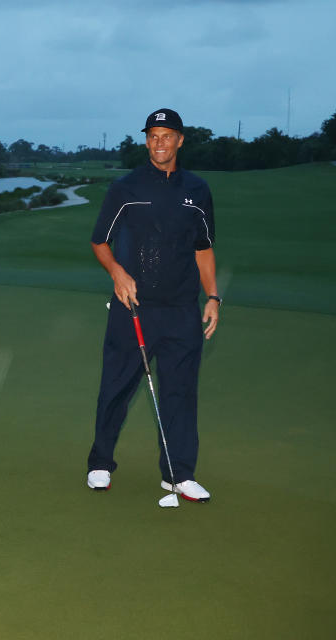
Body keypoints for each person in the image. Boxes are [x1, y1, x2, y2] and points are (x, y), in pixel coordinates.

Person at [86, 108, 220, 502]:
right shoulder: (125, 188)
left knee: (180, 392)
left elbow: (204, 248)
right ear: (146, 141)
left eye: (166, 135)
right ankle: (99, 464)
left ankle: (178, 475)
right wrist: (117, 273)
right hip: (134, 307)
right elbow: (99, 242)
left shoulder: (198, 190)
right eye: (152, 135)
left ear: (180, 140)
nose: (158, 142)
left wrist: (213, 296)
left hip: (182, 310)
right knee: (116, 387)